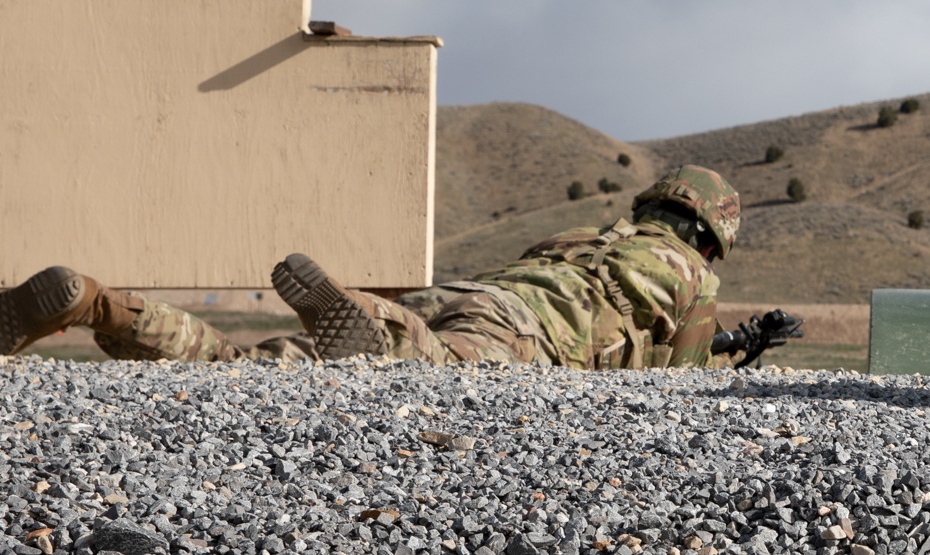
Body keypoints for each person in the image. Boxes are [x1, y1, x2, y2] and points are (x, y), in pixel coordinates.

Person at [0, 165, 740, 370]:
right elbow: (683, 376)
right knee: (437, 365)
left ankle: (101, 307)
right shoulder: (690, 275)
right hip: (519, 335)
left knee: (244, 364)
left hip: (465, 295)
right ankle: (371, 323)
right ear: (710, 234)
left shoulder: (584, 235)